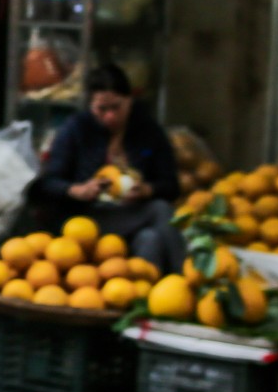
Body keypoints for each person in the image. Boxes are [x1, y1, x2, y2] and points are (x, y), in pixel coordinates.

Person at [31, 64, 185, 274]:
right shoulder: (76, 129)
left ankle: (149, 298)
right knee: (160, 210)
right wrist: (77, 190)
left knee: (151, 239)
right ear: (90, 105)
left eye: (116, 107)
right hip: (87, 222)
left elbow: (171, 186)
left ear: (130, 101)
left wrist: (147, 190)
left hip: (131, 219)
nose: (110, 116)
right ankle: (187, 278)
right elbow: (47, 183)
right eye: (102, 109)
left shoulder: (148, 130)